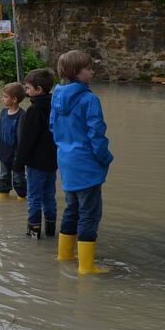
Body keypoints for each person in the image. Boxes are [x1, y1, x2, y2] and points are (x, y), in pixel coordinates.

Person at [50, 50, 113, 274]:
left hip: (66, 163)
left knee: (71, 209)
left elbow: (52, 129)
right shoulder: (89, 99)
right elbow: (97, 134)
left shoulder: (56, 97)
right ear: (77, 72)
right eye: (88, 68)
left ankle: (64, 254)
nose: (92, 71)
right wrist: (105, 158)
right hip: (86, 164)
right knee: (90, 214)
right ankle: (86, 266)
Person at [17, 68, 58, 239]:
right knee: (49, 196)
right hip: (52, 162)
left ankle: (33, 235)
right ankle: (50, 232)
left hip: (35, 163)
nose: (25, 92)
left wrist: (18, 163)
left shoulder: (33, 111)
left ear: (39, 89)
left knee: (34, 198)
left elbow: (27, 140)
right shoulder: (55, 107)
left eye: (27, 88)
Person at [0, 82, 27, 199]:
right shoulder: (3, 113)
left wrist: (22, 155)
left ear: (14, 99)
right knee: (3, 177)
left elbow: (23, 137)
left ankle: (22, 199)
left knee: (19, 179)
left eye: (5, 97)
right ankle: (3, 199)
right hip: (4, 152)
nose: (2, 99)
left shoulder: (22, 115)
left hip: (17, 155)